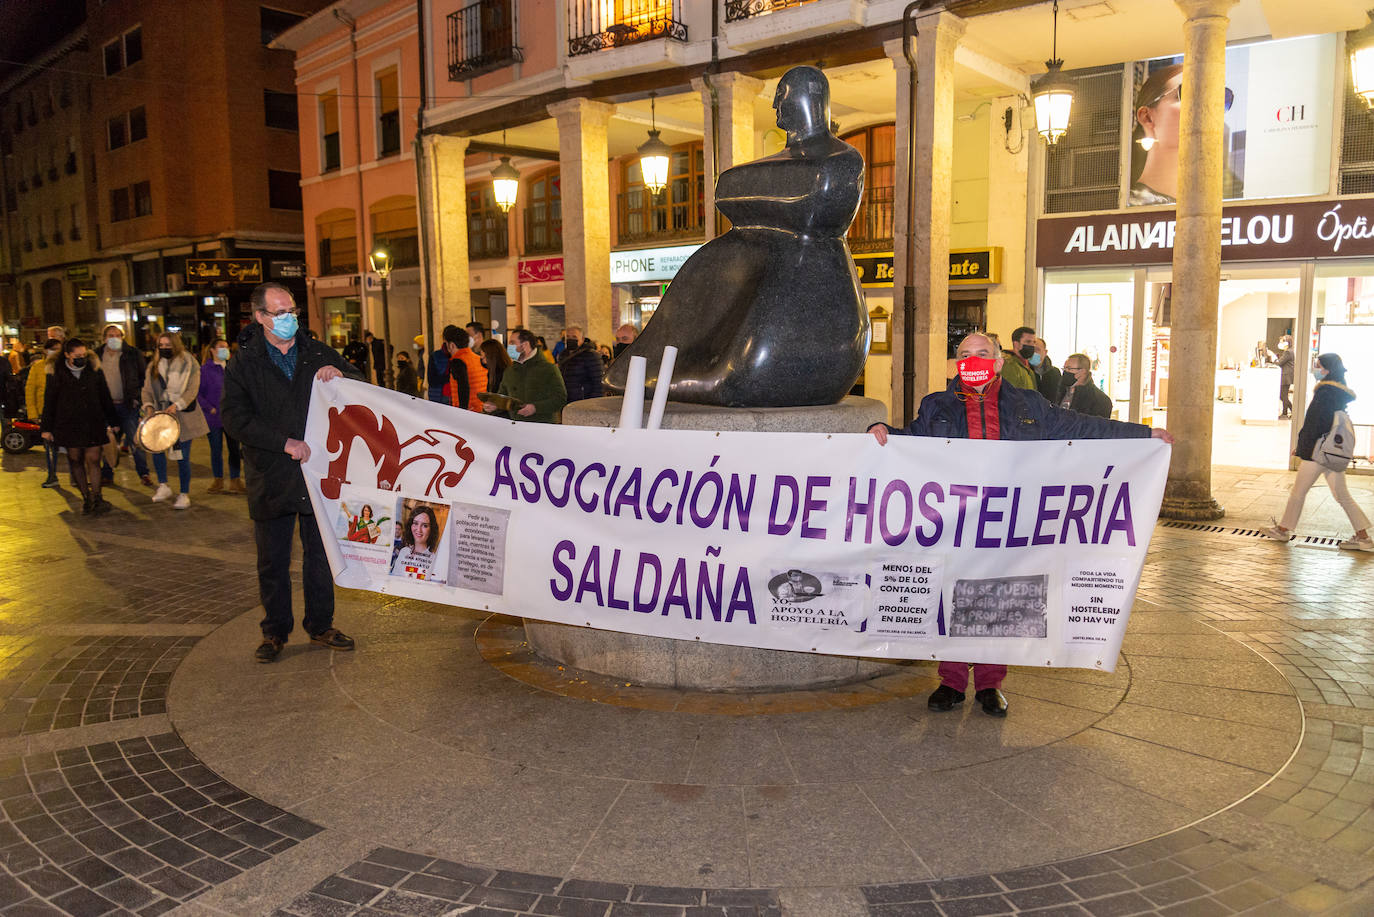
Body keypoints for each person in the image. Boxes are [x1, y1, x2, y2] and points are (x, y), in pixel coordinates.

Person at [870, 333, 1175, 718]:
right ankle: (950, 681)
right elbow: (912, 443)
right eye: (965, 355)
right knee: (952, 595)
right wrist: (883, 432)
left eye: (983, 354)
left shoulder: (1028, 404)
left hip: (1011, 523)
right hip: (957, 521)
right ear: (957, 363)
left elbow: (1081, 427)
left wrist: (1143, 435)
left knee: (1000, 599)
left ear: (998, 362)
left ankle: (990, 685)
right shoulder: (937, 405)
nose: (974, 360)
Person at [223, 282, 360, 662]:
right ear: (261, 317)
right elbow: (235, 419)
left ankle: (321, 625)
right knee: (273, 560)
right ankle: (275, 632)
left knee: (320, 555)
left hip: (316, 475)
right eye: (280, 313)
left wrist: (343, 375)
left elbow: (362, 387)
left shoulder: (316, 351)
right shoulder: (244, 362)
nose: (289, 319)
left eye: (292, 311)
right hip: (271, 474)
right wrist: (283, 442)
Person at [1262, 354, 1372, 551]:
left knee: (1298, 492)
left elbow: (1314, 424)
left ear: (1327, 369)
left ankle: (1283, 529)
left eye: (1319, 366)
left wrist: (1303, 448)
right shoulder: (1338, 392)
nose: (1315, 369)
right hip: (1331, 453)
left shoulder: (1325, 392)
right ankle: (1363, 537)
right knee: (1342, 495)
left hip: (1317, 452)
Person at [39, 339, 119, 515]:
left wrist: (113, 422)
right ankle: (86, 497)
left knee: (93, 459)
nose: (81, 358)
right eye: (77, 356)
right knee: (75, 460)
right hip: (68, 424)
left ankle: (97, 497)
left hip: (93, 422)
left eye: (83, 355)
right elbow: (49, 401)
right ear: (67, 355)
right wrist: (46, 428)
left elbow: (105, 396)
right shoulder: (56, 373)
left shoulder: (94, 370)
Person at [141, 332, 209, 510]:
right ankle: (163, 485)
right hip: (160, 414)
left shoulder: (189, 363)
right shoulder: (153, 365)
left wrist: (177, 405)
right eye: (160, 345)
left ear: (176, 345)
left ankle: (184, 493)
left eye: (167, 345)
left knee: (183, 457)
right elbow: (147, 389)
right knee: (156, 450)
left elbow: (193, 389)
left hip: (183, 415)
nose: (164, 348)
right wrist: (148, 406)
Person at [97, 324, 152, 487]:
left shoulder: (132, 354)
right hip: (106, 407)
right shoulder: (97, 355)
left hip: (128, 405)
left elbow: (143, 378)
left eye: (117, 335)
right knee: (109, 441)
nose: (114, 338)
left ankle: (144, 473)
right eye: (110, 335)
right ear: (104, 338)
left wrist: (138, 399)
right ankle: (107, 473)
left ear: (122, 337)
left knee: (135, 440)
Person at [483, 329, 567, 423]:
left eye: (512, 343)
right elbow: (503, 397)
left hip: (543, 426)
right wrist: (494, 406)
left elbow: (560, 398)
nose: (509, 347)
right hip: (516, 426)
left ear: (525, 345)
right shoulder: (509, 371)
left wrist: (535, 408)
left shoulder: (548, 369)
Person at [199, 339, 243, 494]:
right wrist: (209, 408)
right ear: (212, 350)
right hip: (214, 418)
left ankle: (235, 480)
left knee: (234, 450)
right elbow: (199, 394)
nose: (225, 349)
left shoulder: (233, 368)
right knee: (216, 449)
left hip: (231, 417)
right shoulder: (205, 370)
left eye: (226, 347)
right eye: (221, 347)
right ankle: (218, 480)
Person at [28, 341, 63, 487]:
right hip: (45, 413)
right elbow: (30, 391)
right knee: (49, 446)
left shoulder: (65, 365)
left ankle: (76, 476)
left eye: (57, 349)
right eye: (52, 349)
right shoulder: (37, 367)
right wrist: (33, 413)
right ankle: (52, 475)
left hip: (65, 412)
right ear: (45, 350)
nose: (54, 352)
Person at [1056, 352, 1113, 418]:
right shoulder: (1059, 391)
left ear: (1083, 371)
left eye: (1069, 369)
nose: (1065, 372)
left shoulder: (1100, 400)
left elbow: (1096, 426)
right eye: (1064, 368)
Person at [557, 326, 605, 403]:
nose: (570, 339)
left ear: (582, 339)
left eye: (574, 337)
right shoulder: (563, 354)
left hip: (583, 400)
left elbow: (599, 382)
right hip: (566, 399)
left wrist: (593, 402)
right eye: (568, 337)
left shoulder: (591, 355)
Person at [444, 324, 485, 412]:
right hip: (481, 408)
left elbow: (463, 386)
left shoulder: (457, 361)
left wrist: (463, 409)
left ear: (451, 345)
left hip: (468, 411)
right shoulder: (478, 358)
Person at [391, 505, 440, 578]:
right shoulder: (404, 552)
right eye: (415, 523)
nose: (418, 530)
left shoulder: (434, 560)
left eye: (425, 525)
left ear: (431, 529)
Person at [999, 327, 1039, 392]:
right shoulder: (1009, 365)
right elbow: (1007, 395)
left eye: (1034, 342)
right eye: (1028, 342)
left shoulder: (1028, 368)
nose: (1032, 345)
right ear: (1016, 344)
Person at [1031, 337, 1062, 403]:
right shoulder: (1025, 372)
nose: (1034, 353)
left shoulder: (1055, 373)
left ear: (1045, 352)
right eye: (1032, 349)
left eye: (1037, 350)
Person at [426, 334, 451, 404]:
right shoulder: (435, 356)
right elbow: (431, 380)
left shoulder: (457, 356)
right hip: (437, 396)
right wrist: (449, 378)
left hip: (449, 395)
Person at [1274, 334, 1295, 419]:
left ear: (1287, 342)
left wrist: (1273, 357)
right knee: (1284, 395)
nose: (1280, 343)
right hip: (1287, 375)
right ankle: (1285, 413)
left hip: (1286, 376)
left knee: (1283, 396)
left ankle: (1293, 410)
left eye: (1282, 341)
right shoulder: (1289, 351)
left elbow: (1279, 363)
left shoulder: (1288, 352)